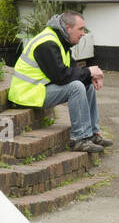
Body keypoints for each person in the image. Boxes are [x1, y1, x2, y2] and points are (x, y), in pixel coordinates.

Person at [8, 10, 110, 154]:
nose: (83, 33)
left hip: (40, 89)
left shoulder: (61, 40)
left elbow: (71, 70)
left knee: (87, 86)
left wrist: (90, 77)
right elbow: (61, 77)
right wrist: (89, 72)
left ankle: (93, 134)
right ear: (68, 28)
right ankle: (79, 139)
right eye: (80, 29)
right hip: (27, 94)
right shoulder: (47, 44)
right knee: (76, 87)